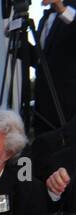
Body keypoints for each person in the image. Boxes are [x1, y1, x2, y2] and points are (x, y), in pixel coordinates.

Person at [31, 0, 76, 136]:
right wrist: (17, 41)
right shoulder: (44, 18)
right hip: (44, 105)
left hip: (69, 104)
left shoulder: (69, 10)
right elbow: (42, 61)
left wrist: (62, 9)